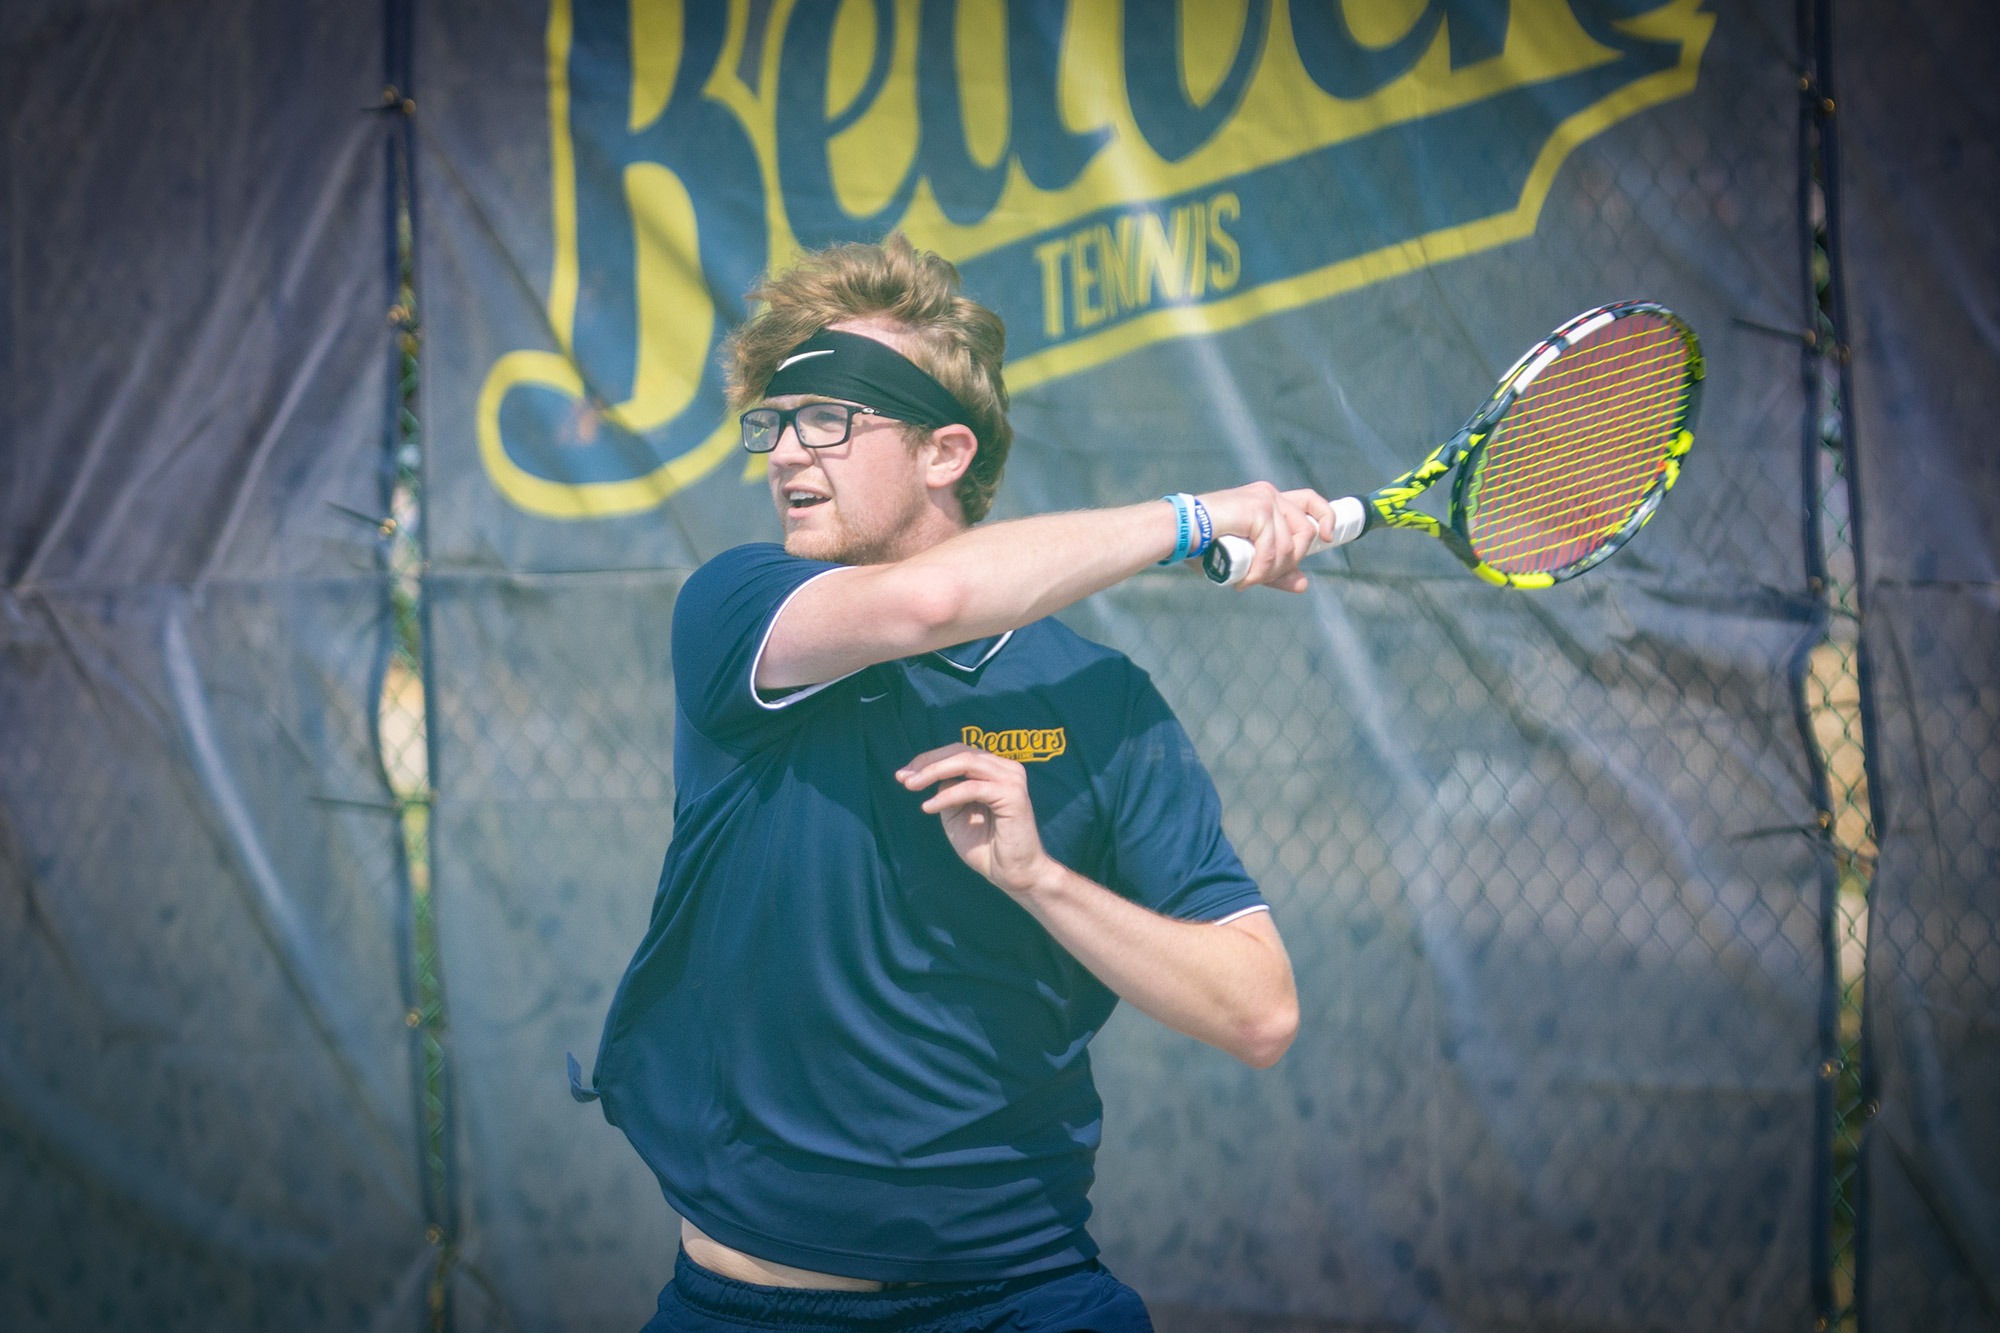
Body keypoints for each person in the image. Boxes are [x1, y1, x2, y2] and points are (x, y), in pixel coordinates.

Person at [582, 234, 1333, 1332]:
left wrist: (1041, 881)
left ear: (943, 453)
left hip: (1026, 1296)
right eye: (776, 425)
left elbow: (1258, 1009)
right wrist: (1196, 516)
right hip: (748, 1308)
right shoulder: (742, 612)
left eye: (830, 420)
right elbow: (929, 605)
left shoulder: (1103, 701)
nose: (788, 454)